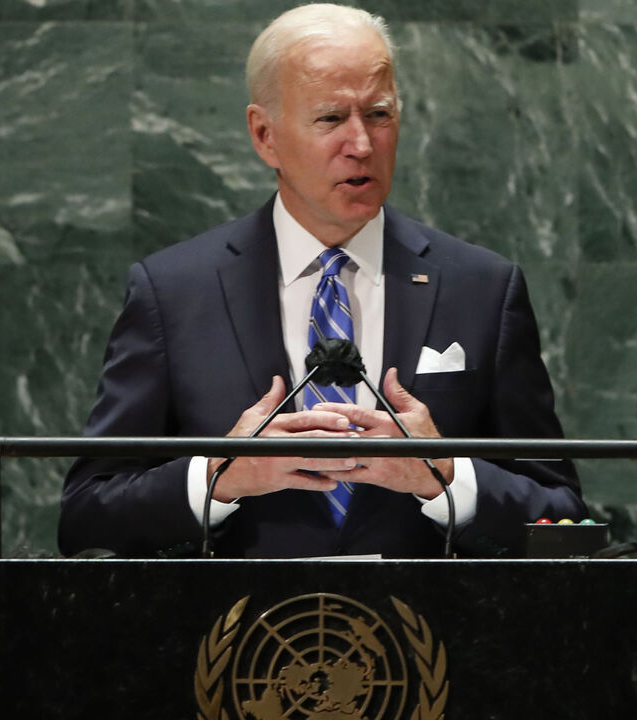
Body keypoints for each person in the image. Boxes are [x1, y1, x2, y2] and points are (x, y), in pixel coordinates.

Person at [59, 3, 586, 558]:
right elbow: (87, 517)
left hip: (433, 635)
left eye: (379, 115)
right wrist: (219, 475)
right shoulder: (173, 293)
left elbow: (564, 515)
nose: (361, 144)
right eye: (331, 118)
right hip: (238, 636)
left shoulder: (481, 288)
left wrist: (447, 476)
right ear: (265, 136)